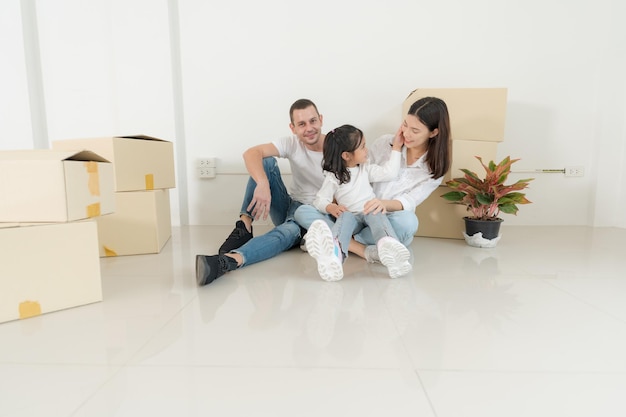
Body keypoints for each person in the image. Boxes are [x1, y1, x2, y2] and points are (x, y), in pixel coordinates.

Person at [295, 96, 451, 264]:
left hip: (383, 220)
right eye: (405, 125)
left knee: (408, 222)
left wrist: (382, 204)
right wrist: (334, 205)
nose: (406, 133)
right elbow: (351, 175)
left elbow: (409, 200)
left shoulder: (435, 168)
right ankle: (364, 250)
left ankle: (336, 240)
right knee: (303, 212)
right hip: (351, 215)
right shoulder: (384, 143)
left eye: (415, 130)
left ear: (434, 132)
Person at [195, 98, 326, 286]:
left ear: (321, 119)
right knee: (265, 162)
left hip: (319, 213)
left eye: (313, 121)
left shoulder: (337, 145)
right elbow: (250, 153)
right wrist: (263, 183)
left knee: (287, 232)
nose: (309, 128)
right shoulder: (292, 143)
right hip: (293, 207)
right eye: (302, 124)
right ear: (293, 128)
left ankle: (228, 261)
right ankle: (244, 226)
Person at [300, 124, 412, 282]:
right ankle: (334, 254)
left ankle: (389, 247)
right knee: (345, 217)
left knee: (376, 212)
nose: (367, 150)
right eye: (363, 147)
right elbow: (320, 200)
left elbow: (390, 173)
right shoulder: (335, 177)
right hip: (351, 218)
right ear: (346, 155)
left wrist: (397, 147)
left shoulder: (365, 169)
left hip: (368, 213)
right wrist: (331, 207)